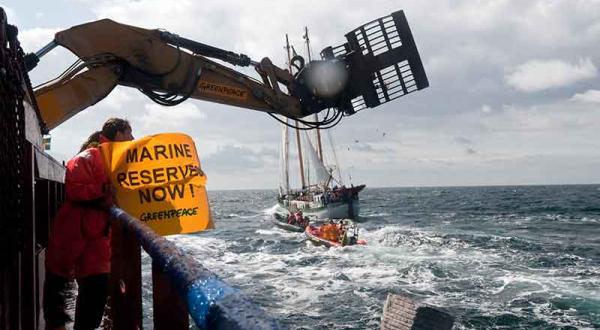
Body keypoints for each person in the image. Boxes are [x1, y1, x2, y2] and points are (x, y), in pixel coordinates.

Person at [43, 118, 133, 330]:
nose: (132, 139)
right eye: (129, 133)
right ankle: (55, 324)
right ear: (118, 134)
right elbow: (75, 188)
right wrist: (103, 191)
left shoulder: (122, 162)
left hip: (98, 233)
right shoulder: (89, 157)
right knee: (58, 279)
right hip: (74, 228)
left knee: (95, 288)